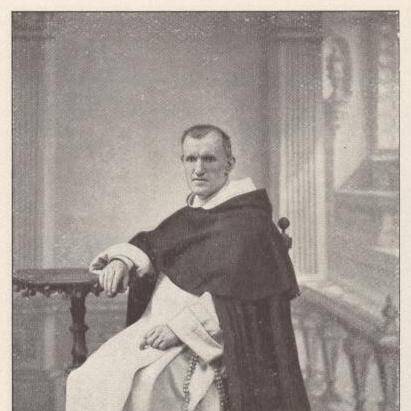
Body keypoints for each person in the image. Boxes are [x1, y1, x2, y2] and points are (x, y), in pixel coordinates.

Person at [65, 124, 310, 411]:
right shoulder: (192, 213)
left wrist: (179, 331)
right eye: (191, 159)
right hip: (155, 326)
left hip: (207, 340)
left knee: (146, 387)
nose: (198, 169)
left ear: (229, 164)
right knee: (85, 379)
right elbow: (153, 244)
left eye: (209, 159)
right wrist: (122, 261)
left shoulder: (250, 223)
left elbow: (239, 302)